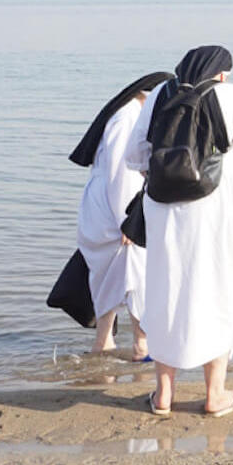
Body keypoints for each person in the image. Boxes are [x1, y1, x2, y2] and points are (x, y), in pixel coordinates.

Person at [125, 45, 233, 417]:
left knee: (165, 290)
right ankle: (215, 395)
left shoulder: (160, 93)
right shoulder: (232, 95)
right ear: (221, 73)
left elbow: (135, 157)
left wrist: (171, 179)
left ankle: (163, 397)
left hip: (163, 212)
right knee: (222, 289)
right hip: (217, 211)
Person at [70, 71, 172, 357]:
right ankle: (141, 345)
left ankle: (104, 343)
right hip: (114, 207)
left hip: (105, 205)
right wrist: (127, 222)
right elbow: (121, 173)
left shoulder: (127, 114)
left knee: (111, 277)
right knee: (136, 276)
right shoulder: (128, 118)